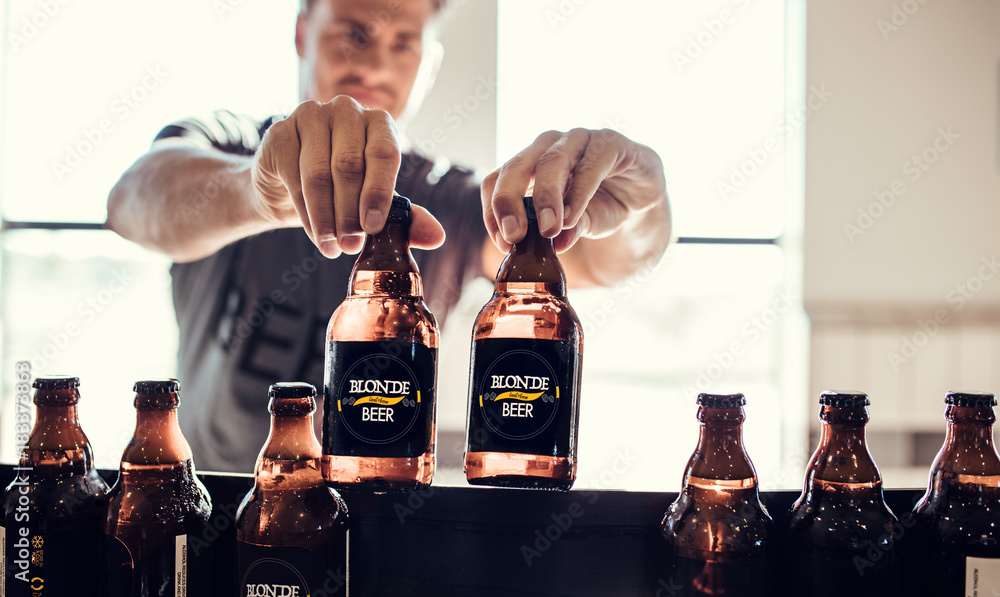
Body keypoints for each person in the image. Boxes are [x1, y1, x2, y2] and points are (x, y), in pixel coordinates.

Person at [106, 0, 672, 473]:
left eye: (404, 43)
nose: (375, 62)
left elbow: (609, 261)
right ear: (304, 31)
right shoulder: (232, 147)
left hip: (384, 522)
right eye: (354, 32)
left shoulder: (446, 197)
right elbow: (132, 202)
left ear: (429, 65)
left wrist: (638, 203)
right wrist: (257, 195)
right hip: (224, 513)